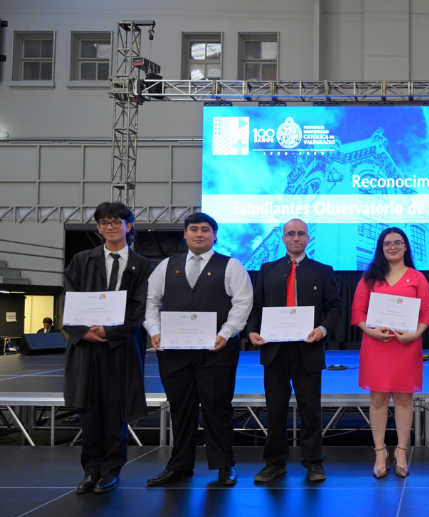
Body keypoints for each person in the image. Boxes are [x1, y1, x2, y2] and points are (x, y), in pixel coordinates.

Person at [144, 213, 253, 487]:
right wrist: (154, 331)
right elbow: (150, 302)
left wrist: (225, 334)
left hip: (217, 350)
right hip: (174, 351)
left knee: (217, 408)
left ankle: (224, 466)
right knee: (180, 409)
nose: (199, 234)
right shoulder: (166, 266)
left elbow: (242, 304)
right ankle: (179, 466)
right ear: (185, 234)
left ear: (215, 235)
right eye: (193, 229)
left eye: (205, 230)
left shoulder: (231, 266)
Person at [62, 201, 154, 494]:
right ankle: (90, 471)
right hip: (86, 347)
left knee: (116, 411)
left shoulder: (144, 265)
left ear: (128, 225)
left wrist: (113, 331)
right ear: (98, 227)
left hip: (122, 347)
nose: (110, 227)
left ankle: (111, 471)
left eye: (116, 221)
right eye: (104, 222)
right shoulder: (81, 260)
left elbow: (142, 309)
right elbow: (68, 301)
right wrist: (81, 331)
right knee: (88, 411)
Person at [246, 219, 342, 483]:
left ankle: (313, 462)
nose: (296, 238)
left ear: (308, 238)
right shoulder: (267, 270)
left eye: (301, 233)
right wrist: (252, 331)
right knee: (274, 409)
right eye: (291, 233)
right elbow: (256, 309)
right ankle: (274, 462)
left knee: (310, 410)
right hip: (274, 351)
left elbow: (334, 308)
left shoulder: (322, 271)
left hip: (308, 350)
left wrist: (322, 330)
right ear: (283, 237)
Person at [352, 227, 429, 478]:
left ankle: (400, 450)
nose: (393, 247)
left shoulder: (417, 277)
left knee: (404, 399)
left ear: (406, 246)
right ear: (381, 248)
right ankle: (379, 451)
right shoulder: (369, 278)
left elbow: (427, 314)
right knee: (377, 399)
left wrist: (415, 334)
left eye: (398, 243)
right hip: (377, 345)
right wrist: (371, 331)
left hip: (406, 346)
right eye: (387, 244)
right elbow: (358, 312)